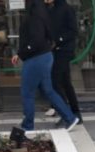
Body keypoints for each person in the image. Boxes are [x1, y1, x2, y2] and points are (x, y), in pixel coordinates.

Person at [11, 0, 79, 131]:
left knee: (27, 92)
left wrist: (21, 53)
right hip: (45, 56)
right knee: (49, 90)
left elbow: (35, 41)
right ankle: (70, 118)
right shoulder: (43, 15)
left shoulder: (34, 17)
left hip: (35, 59)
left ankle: (27, 125)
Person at [46, 0, 82, 122]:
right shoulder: (51, 10)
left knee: (55, 81)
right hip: (57, 50)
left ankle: (67, 114)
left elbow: (73, 30)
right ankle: (75, 113)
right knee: (65, 82)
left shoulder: (67, 9)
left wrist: (58, 40)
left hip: (64, 50)